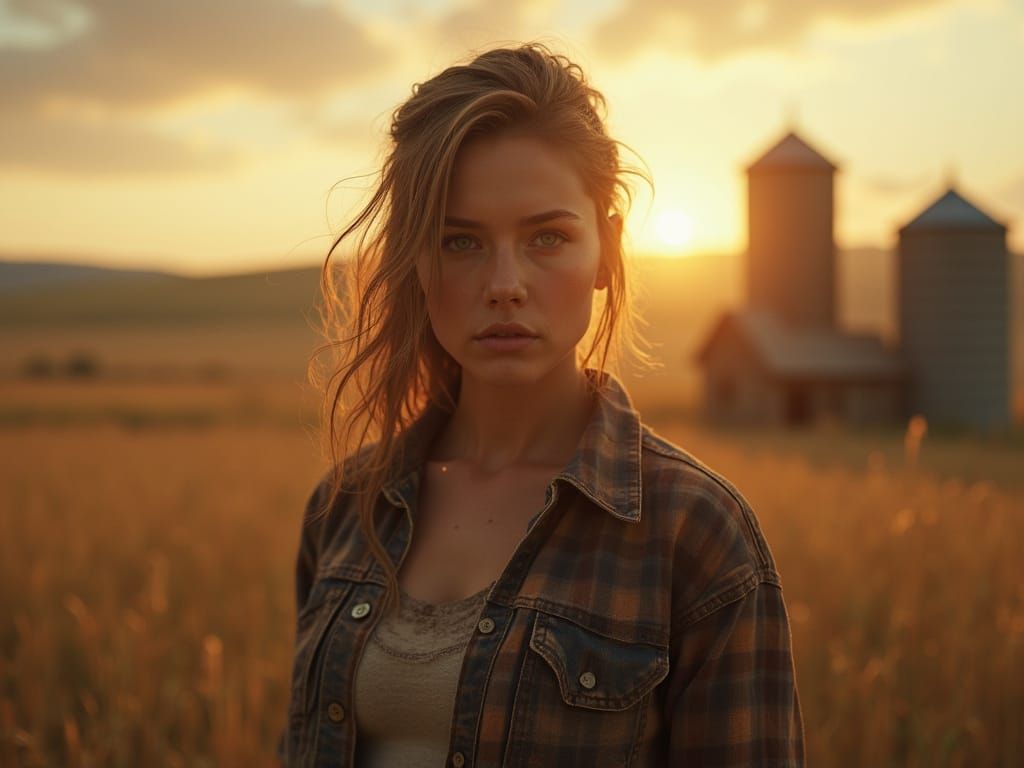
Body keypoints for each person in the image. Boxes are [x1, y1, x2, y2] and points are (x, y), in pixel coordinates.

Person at [281, 43, 804, 767]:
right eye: (459, 241)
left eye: (547, 237)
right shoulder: (346, 507)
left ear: (608, 252)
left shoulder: (696, 534)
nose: (504, 283)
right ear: (416, 261)